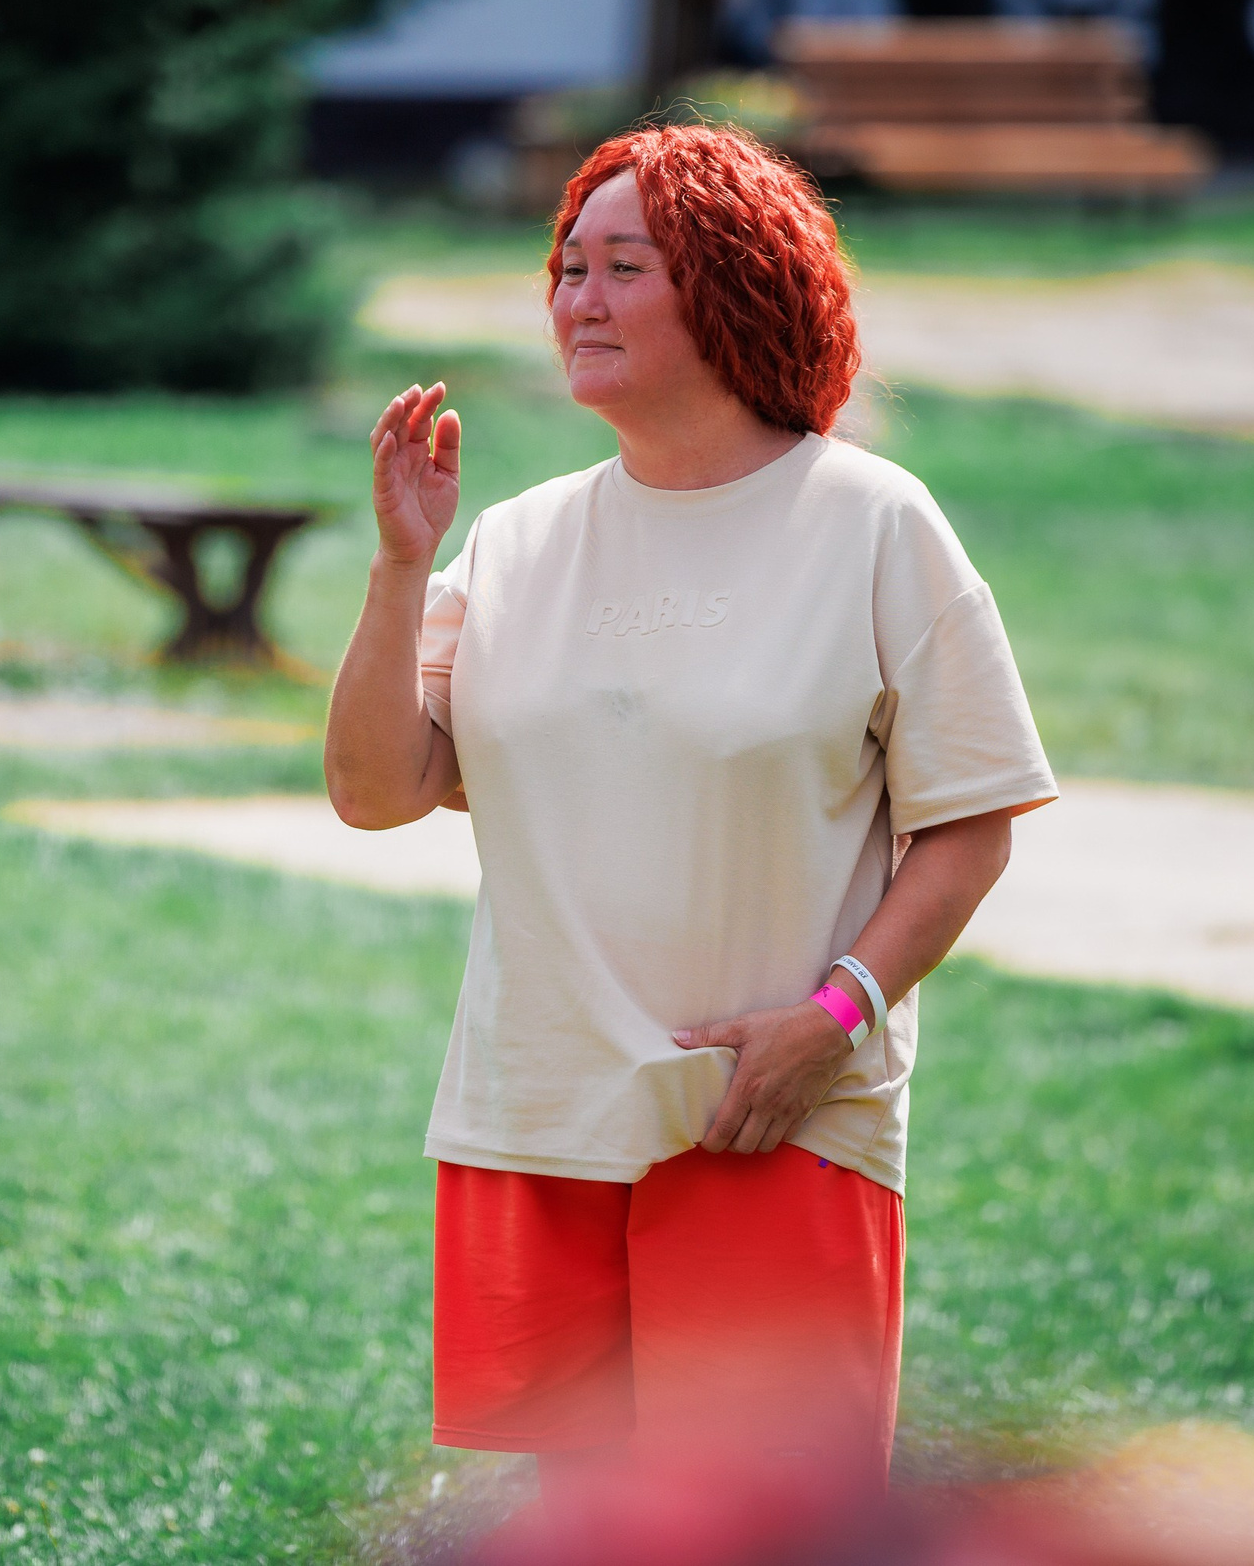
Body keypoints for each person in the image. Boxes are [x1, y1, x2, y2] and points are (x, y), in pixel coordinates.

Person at [323, 124, 1057, 1501]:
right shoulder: (518, 541)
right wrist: (401, 567)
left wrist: (833, 1019)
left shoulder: (873, 523)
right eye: (567, 268)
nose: (579, 301)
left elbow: (972, 824)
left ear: (729, 286)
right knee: (581, 1529)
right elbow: (375, 792)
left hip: (768, 1117)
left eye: (625, 268)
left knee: (770, 1523)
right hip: (539, 1121)